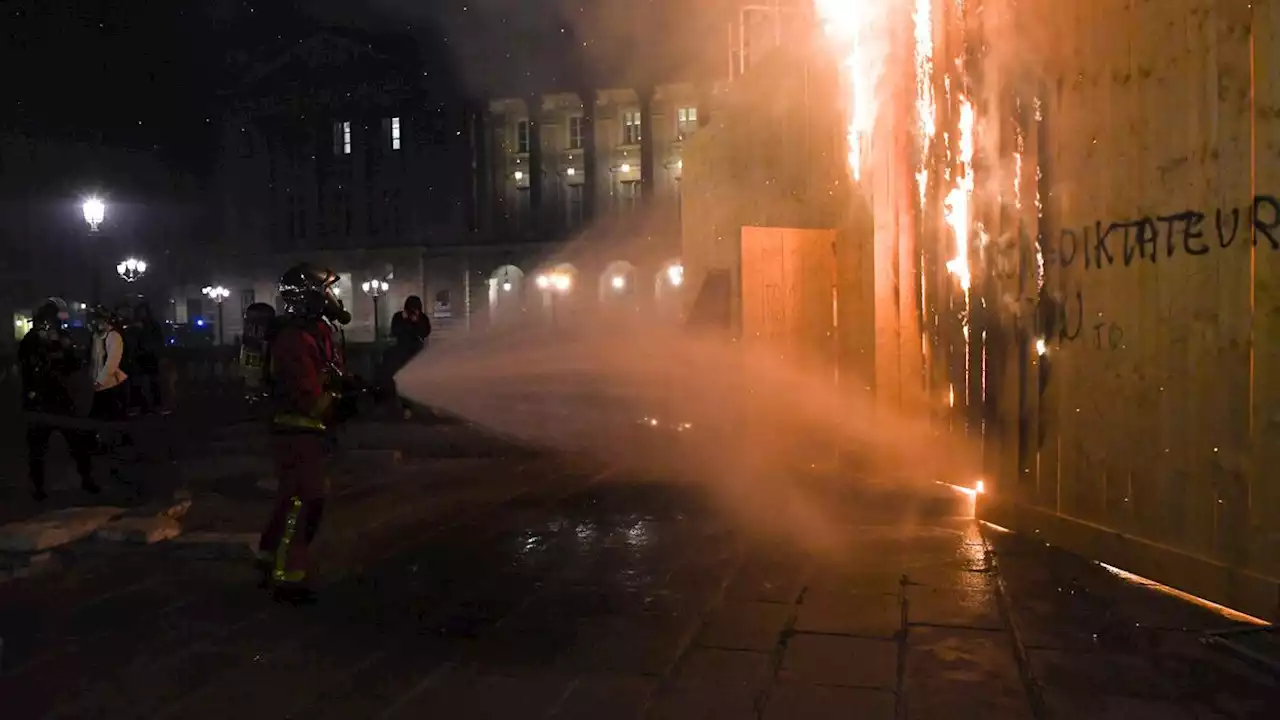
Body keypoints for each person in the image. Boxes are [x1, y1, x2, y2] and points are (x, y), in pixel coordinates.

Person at [255, 263, 351, 602]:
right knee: (306, 500)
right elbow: (306, 394)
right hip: (296, 429)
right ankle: (289, 577)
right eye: (327, 291)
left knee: (290, 498)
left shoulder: (313, 331)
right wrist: (342, 405)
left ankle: (267, 558)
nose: (333, 298)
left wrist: (354, 390)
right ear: (310, 296)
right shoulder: (294, 338)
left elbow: (328, 374)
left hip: (306, 429)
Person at [19, 298, 99, 501]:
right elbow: (28, 366)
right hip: (38, 397)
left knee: (77, 440)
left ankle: (87, 478)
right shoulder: (31, 340)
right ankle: (38, 486)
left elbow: (72, 364)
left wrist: (62, 349)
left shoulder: (61, 336)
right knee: (37, 447)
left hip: (59, 395)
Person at [388, 295, 431, 419]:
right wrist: (405, 321)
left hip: (417, 353)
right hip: (402, 352)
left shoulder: (422, 318)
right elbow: (395, 331)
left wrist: (416, 322)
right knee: (402, 379)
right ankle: (406, 407)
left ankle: (418, 404)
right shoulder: (398, 317)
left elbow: (425, 332)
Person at [130, 300, 166, 413]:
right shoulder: (138, 326)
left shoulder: (152, 325)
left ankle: (154, 404)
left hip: (149, 356)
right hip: (142, 356)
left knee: (152, 382)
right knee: (141, 383)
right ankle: (145, 404)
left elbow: (158, 340)